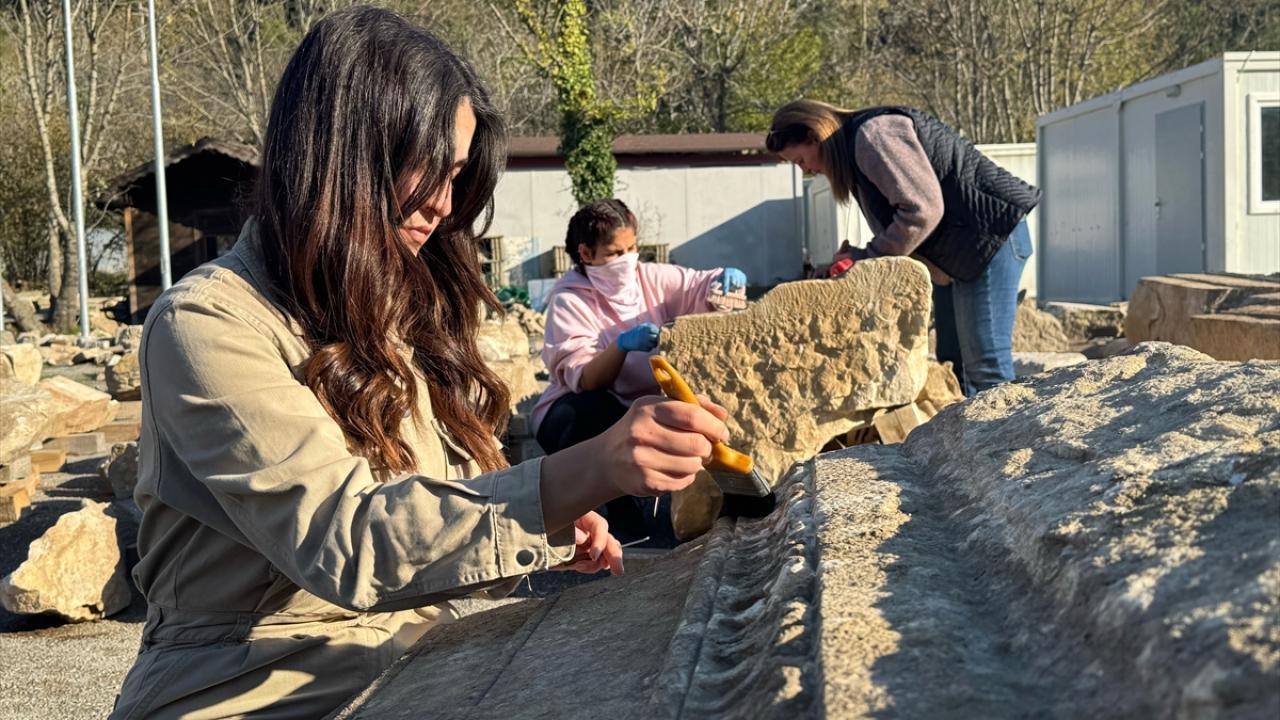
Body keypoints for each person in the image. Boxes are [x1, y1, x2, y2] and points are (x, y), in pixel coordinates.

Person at [109, 9, 728, 719]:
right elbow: (347, 540)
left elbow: (421, 504)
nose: (442, 204)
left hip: (410, 656)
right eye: (424, 168)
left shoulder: (388, 309)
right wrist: (583, 470)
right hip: (247, 684)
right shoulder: (206, 324)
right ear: (339, 155)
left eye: (455, 175)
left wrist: (551, 516)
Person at [767, 100, 1041, 395]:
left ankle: (1006, 425)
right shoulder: (856, 148)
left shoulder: (874, 134)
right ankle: (973, 426)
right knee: (954, 364)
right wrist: (857, 258)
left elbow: (921, 211)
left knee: (986, 368)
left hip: (989, 239)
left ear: (814, 135)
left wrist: (867, 257)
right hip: (961, 253)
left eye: (800, 161)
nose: (807, 170)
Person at [532, 199, 747, 546]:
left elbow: (697, 285)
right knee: (591, 412)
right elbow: (587, 378)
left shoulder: (650, 278)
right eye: (616, 253)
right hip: (581, 410)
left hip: (641, 402)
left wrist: (721, 281)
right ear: (586, 253)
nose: (628, 259)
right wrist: (621, 345)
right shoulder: (570, 300)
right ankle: (624, 520)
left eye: (632, 248)